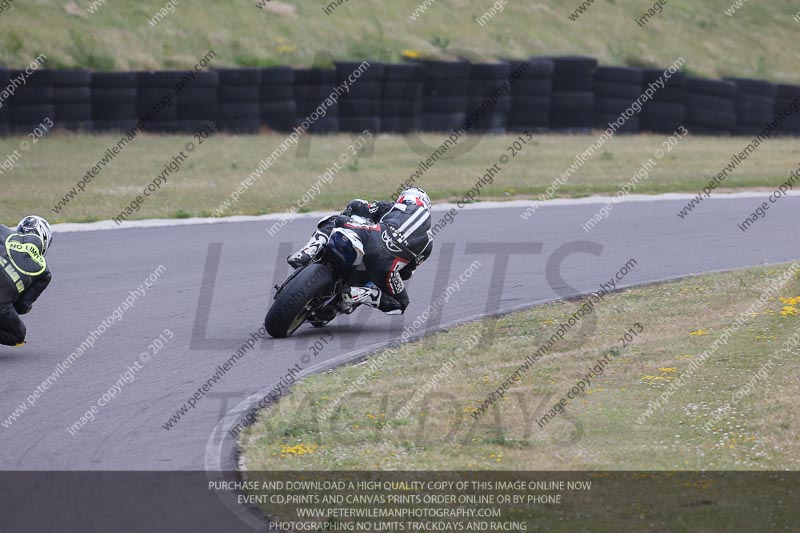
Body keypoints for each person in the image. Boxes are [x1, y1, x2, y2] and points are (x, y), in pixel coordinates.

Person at [287, 187, 433, 315]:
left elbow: (357, 206)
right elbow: (406, 273)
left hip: (369, 235)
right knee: (401, 304)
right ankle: (355, 294)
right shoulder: (428, 243)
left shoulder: (392, 206)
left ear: (403, 198)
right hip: (386, 267)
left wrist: (348, 213)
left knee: (335, 219)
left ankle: (307, 252)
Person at [0, 216, 53, 347]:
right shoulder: (45, 272)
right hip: (1, 304)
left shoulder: (4, 231)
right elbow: (21, 306)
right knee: (18, 337)